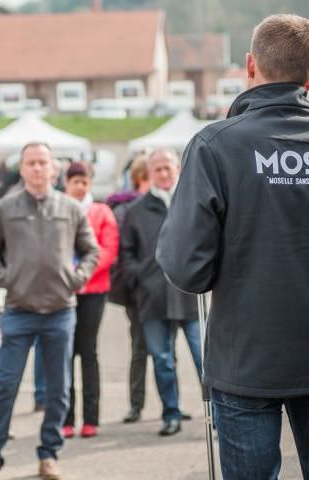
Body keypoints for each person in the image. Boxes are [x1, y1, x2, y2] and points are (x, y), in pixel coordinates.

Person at [156, 14, 309, 479]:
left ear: (249, 65)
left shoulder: (214, 146)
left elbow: (186, 267)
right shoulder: (214, 146)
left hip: (245, 356)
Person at [0, 143, 99, 480]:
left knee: (59, 390)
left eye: (42, 162)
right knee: (5, 385)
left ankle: (49, 454)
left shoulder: (70, 208)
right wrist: (7, 280)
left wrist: (75, 280)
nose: (36, 168)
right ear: (22, 168)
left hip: (60, 311)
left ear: (53, 169)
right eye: (30, 163)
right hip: (18, 310)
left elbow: (92, 250)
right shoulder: (5, 208)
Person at [120, 149, 201, 437]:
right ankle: (171, 413)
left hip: (191, 297)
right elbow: (126, 254)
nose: (164, 174)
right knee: (162, 360)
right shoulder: (136, 211)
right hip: (153, 299)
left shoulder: (192, 202)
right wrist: (141, 277)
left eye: (168, 168)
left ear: (178, 168)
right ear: (149, 173)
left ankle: (218, 414)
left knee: (204, 359)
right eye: (158, 169)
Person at [62, 162, 119, 439]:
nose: (80, 186)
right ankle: (66, 417)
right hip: (63, 292)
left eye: (85, 181)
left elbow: (109, 249)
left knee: (88, 352)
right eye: (75, 181)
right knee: (65, 355)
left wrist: (82, 272)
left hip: (93, 290)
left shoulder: (101, 211)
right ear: (67, 183)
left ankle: (91, 417)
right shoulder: (58, 209)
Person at [107, 153, 151, 423]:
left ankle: (172, 405)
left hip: (165, 290)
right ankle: (136, 404)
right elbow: (122, 253)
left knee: (166, 352)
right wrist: (137, 278)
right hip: (137, 291)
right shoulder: (125, 211)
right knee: (140, 348)